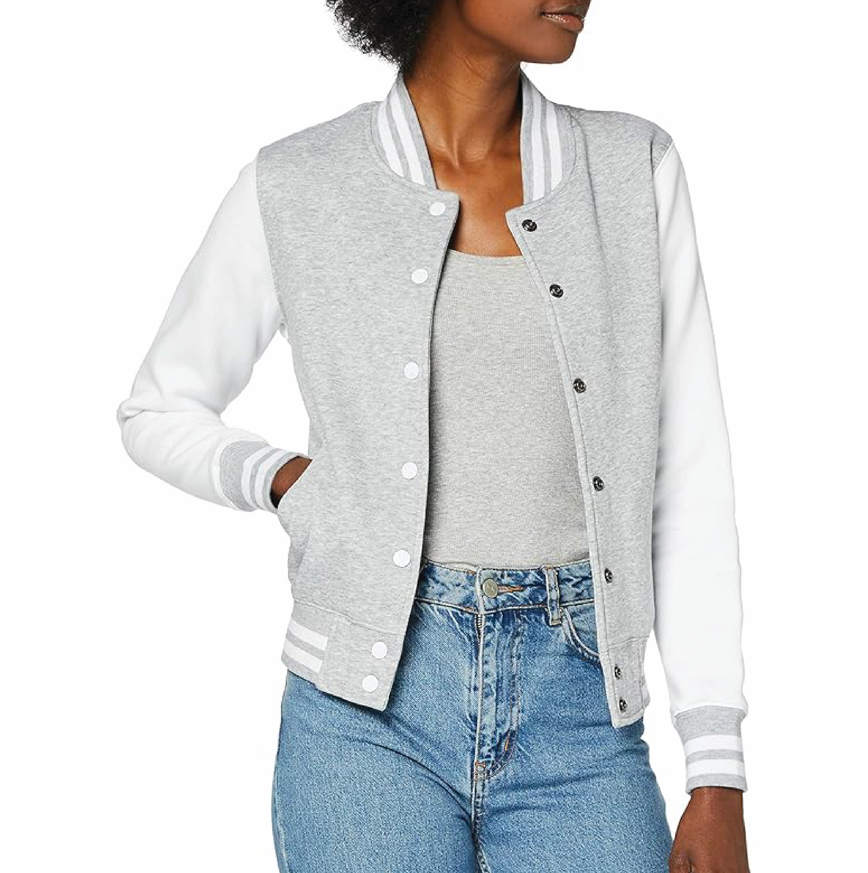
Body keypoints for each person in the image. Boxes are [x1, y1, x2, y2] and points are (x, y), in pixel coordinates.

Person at [116, 1, 750, 870]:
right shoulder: (300, 182)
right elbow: (158, 407)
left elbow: (689, 475)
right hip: (364, 712)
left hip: (581, 715)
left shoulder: (633, 169)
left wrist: (716, 767)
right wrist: (280, 475)